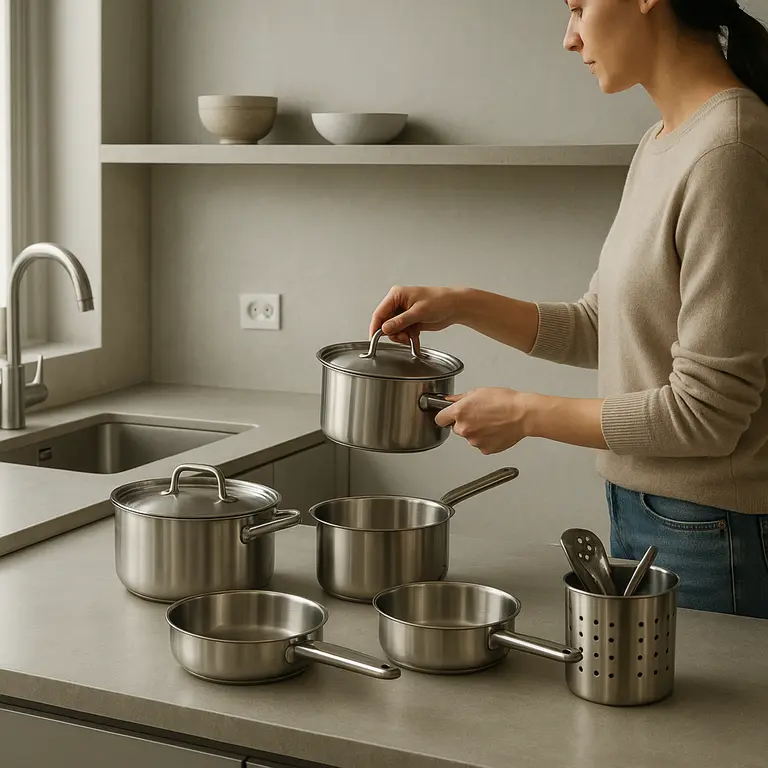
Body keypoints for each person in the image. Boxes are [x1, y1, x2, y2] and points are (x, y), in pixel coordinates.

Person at [369, 0, 768, 618]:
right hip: (647, 510)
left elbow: (708, 414)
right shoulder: (664, 141)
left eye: (579, 8)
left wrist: (526, 413)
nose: (569, 38)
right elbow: (602, 327)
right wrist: (462, 304)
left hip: (716, 533)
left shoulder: (730, 150)